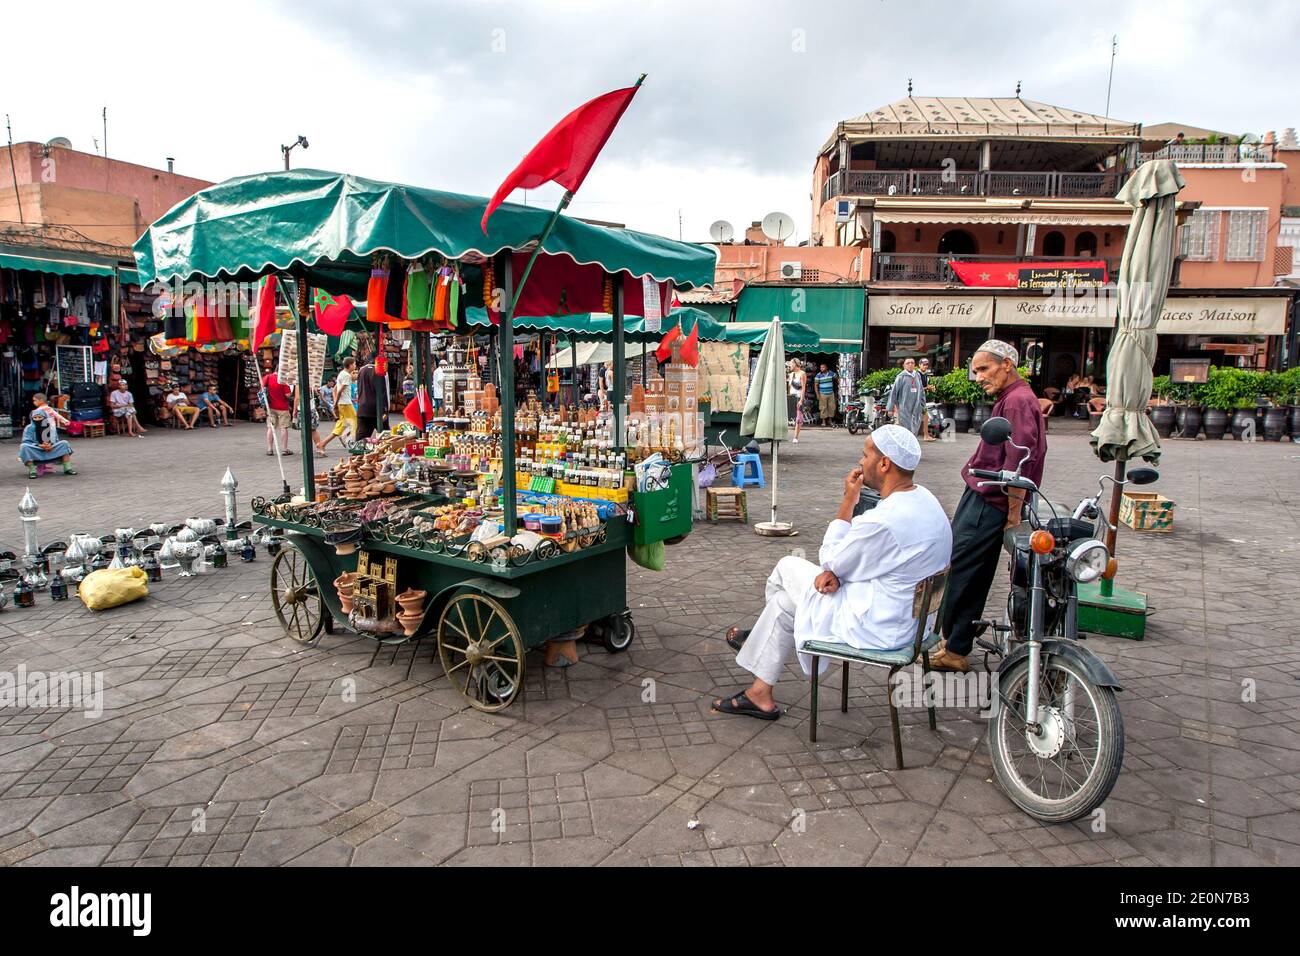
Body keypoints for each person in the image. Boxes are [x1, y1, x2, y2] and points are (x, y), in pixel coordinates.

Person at [711, 425, 951, 719]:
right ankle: (760, 693)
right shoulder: (926, 499)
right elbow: (860, 564)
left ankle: (754, 640)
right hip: (917, 625)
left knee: (787, 566)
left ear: (885, 464)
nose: (861, 462)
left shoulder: (883, 521)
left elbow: (830, 560)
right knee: (785, 605)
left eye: (865, 455)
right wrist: (838, 572)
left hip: (881, 627)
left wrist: (849, 500)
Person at [929, 340, 1047, 673]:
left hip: (990, 499)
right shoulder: (1013, 399)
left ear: (1007, 364)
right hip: (988, 497)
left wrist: (1012, 513)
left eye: (984, 368)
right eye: (975, 370)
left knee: (959, 569)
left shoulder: (1018, 402)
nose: (978, 376)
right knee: (973, 573)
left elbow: (1019, 462)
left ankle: (953, 643)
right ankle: (955, 645)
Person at [21, 395, 76, 477]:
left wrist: (49, 445)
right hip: (36, 449)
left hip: (50, 448)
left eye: (40, 417)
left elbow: (54, 439)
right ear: (32, 418)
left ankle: (67, 468)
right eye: (35, 417)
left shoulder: (50, 426)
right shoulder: (29, 428)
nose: (37, 419)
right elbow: (26, 441)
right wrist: (39, 445)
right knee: (24, 446)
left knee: (64, 443)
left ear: (44, 417)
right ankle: (32, 471)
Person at [319, 357, 357, 451]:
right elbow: (339, 391)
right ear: (350, 365)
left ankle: (322, 443)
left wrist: (336, 403)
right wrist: (335, 404)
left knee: (341, 425)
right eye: (354, 364)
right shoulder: (346, 375)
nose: (355, 366)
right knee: (355, 422)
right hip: (345, 403)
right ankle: (354, 442)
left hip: (343, 403)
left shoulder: (342, 374)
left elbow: (336, 389)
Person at [887, 357, 926, 437]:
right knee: (905, 429)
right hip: (904, 408)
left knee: (915, 428)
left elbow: (921, 392)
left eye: (912, 363)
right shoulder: (901, 377)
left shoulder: (917, 376)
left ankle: (911, 445)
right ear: (904, 366)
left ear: (915, 365)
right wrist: (890, 408)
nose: (910, 365)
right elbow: (893, 393)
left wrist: (923, 406)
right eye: (908, 363)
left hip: (916, 408)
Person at [261, 368, 296, 456]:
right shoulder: (282, 380)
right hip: (283, 407)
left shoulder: (267, 377)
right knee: (283, 428)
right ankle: (284, 449)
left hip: (271, 407)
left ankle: (270, 449)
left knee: (270, 427)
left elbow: (262, 389)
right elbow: (287, 395)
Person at [355, 356, 379, 441]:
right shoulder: (380, 371)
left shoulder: (361, 371)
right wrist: (386, 408)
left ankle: (356, 451)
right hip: (377, 407)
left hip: (363, 406)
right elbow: (384, 391)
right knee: (385, 434)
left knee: (361, 434)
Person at [917, 357, 937, 442]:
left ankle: (925, 434)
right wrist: (928, 388)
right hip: (917, 399)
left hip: (921, 398)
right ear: (919, 365)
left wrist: (929, 388)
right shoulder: (917, 374)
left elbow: (922, 388)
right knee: (925, 416)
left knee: (924, 417)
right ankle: (925, 435)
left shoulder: (924, 374)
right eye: (923, 364)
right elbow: (918, 388)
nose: (925, 366)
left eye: (926, 365)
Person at [787, 360, 806, 443]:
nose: (789, 365)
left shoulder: (802, 373)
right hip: (791, 397)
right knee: (790, 417)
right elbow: (789, 387)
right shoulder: (791, 374)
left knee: (798, 418)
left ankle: (795, 437)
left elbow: (803, 387)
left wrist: (801, 400)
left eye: (791, 363)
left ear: (795, 364)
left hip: (798, 397)